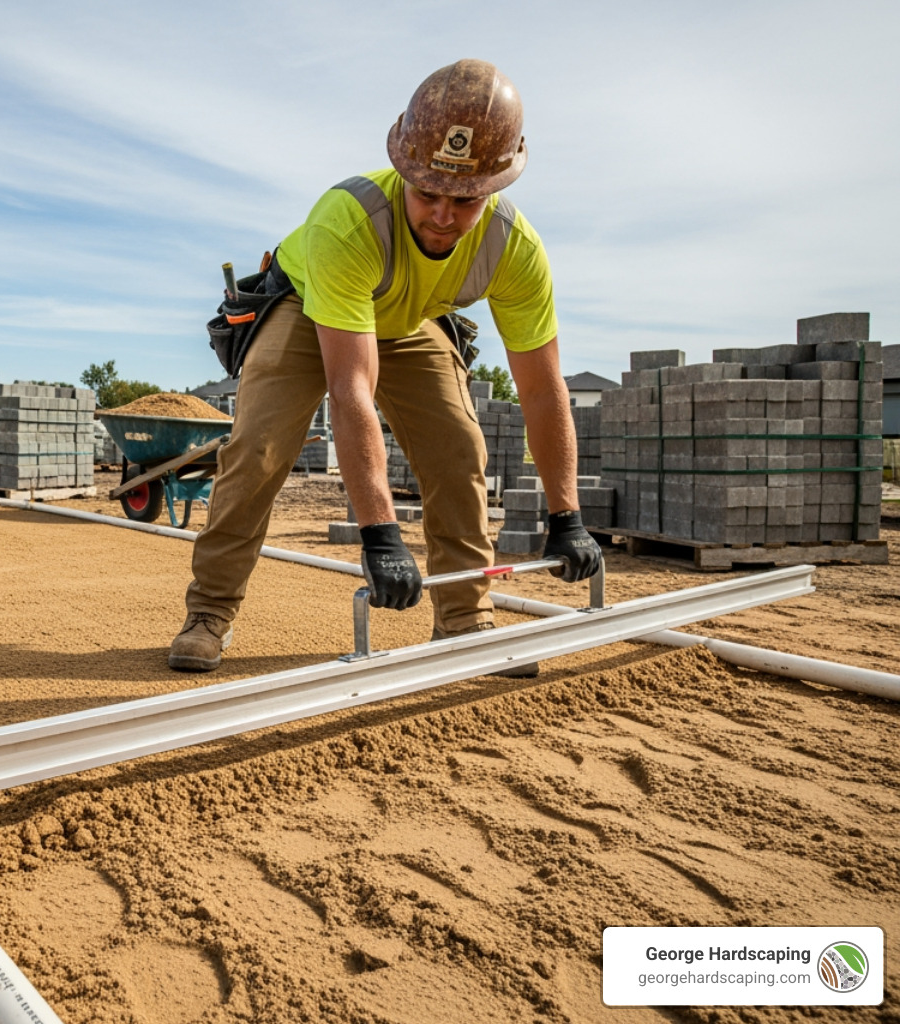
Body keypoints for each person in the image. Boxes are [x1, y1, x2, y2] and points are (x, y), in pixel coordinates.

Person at [170, 58, 602, 672]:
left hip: (409, 320)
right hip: (308, 306)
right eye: (427, 193)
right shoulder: (348, 222)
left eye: (466, 199)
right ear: (403, 168)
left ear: (496, 187)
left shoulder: (515, 250)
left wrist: (567, 514)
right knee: (258, 447)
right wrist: (380, 534)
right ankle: (209, 611)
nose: (444, 216)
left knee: (458, 444)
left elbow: (541, 389)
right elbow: (352, 390)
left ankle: (464, 618)